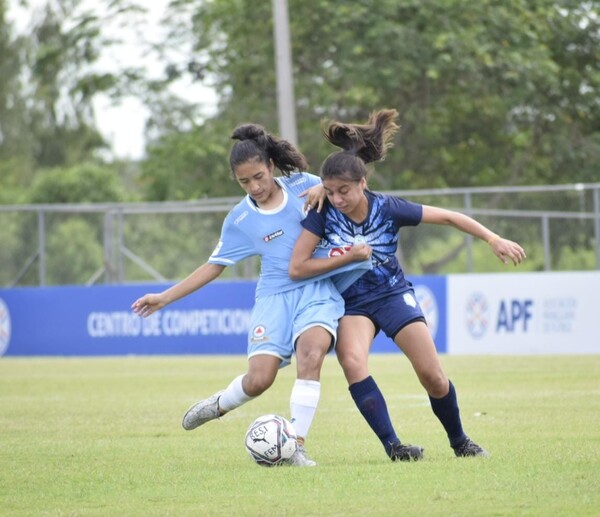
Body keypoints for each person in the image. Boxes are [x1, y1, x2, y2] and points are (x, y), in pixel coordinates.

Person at [289, 109, 526, 461]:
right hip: (352, 304)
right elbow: (298, 266)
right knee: (353, 363)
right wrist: (348, 257)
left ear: (363, 184)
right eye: (330, 191)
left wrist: (493, 239)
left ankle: (460, 441)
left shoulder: (388, 208)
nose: (337, 199)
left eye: (345, 191)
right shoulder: (321, 211)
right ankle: (394, 447)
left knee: (433, 376)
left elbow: (448, 216)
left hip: (393, 295)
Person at [132, 123, 369, 467]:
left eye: (259, 176)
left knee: (311, 353)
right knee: (259, 380)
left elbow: (348, 191)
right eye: (245, 182)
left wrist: (323, 189)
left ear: (271, 166)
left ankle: (296, 445)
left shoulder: (305, 186)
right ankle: (219, 405)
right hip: (274, 297)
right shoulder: (240, 219)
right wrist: (165, 297)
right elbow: (214, 265)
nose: (255, 187)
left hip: (316, 289)